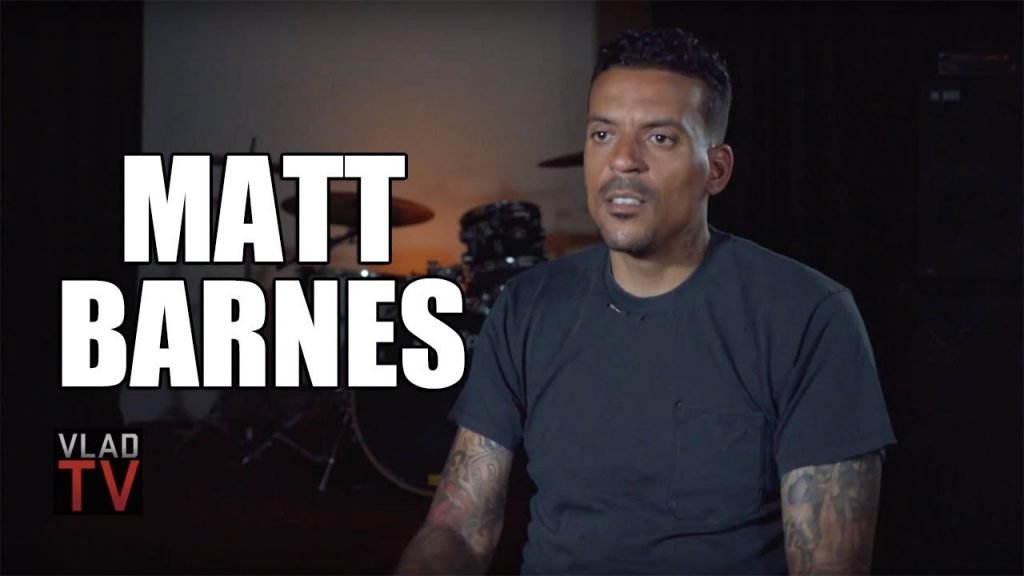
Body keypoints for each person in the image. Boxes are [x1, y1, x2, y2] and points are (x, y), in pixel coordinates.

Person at [395, 27, 896, 575]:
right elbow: (457, 530)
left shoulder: (807, 315)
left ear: (717, 169)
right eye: (603, 134)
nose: (623, 161)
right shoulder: (526, 308)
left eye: (660, 138)